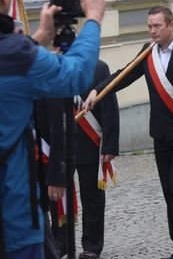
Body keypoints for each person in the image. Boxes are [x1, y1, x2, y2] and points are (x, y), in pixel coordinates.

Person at [0, 0, 106, 258]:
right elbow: (76, 75)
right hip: (13, 222)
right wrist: (94, 19)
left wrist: (38, 39)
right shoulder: (16, 54)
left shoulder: (18, 53)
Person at [93, 6, 173, 259]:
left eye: (157, 26)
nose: (152, 31)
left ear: (171, 25)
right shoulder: (148, 53)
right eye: (149, 26)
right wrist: (98, 90)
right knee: (169, 191)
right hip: (160, 134)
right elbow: (123, 76)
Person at [49, 56, 119, 259]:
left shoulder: (98, 67)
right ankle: (61, 241)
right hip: (61, 144)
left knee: (92, 197)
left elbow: (109, 105)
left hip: (90, 141)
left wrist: (110, 145)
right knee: (58, 196)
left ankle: (92, 244)